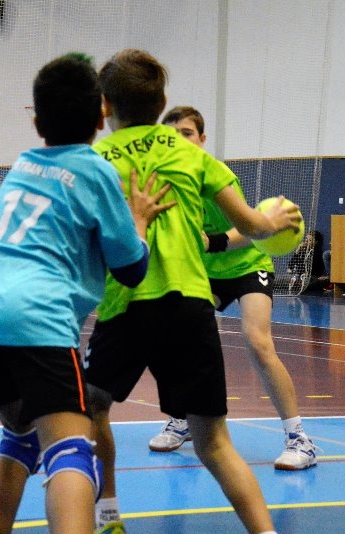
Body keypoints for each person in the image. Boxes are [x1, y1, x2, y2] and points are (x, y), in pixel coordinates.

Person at [0, 52, 169, 534]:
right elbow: (131, 268)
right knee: (71, 450)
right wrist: (139, 221)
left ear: (37, 121)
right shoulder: (94, 170)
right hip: (35, 319)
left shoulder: (23, 166)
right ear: (101, 115)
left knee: (21, 438)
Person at [85, 50, 299, 534]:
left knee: (91, 408)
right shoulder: (193, 155)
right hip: (190, 307)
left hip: (126, 304)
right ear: (161, 103)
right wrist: (274, 219)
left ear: (104, 106)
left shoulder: (95, 161)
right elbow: (252, 226)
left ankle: (108, 515)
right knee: (214, 442)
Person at [143, 106, 319, 471]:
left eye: (187, 133)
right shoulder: (161, 183)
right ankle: (181, 418)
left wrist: (214, 242)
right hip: (203, 273)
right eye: (172, 135)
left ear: (202, 139)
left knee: (258, 342)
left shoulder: (214, 176)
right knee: (174, 341)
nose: (180, 141)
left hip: (247, 265)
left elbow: (251, 228)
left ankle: (299, 439)